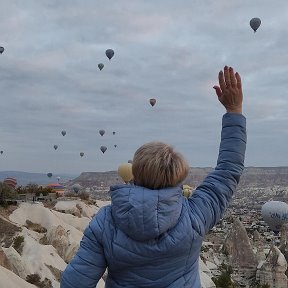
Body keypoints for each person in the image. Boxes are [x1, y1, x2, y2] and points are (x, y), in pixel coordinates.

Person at [60, 66, 246, 288]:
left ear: (134, 174)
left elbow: (75, 283)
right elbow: (228, 169)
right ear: (178, 178)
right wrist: (234, 110)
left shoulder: (106, 221)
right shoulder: (196, 216)